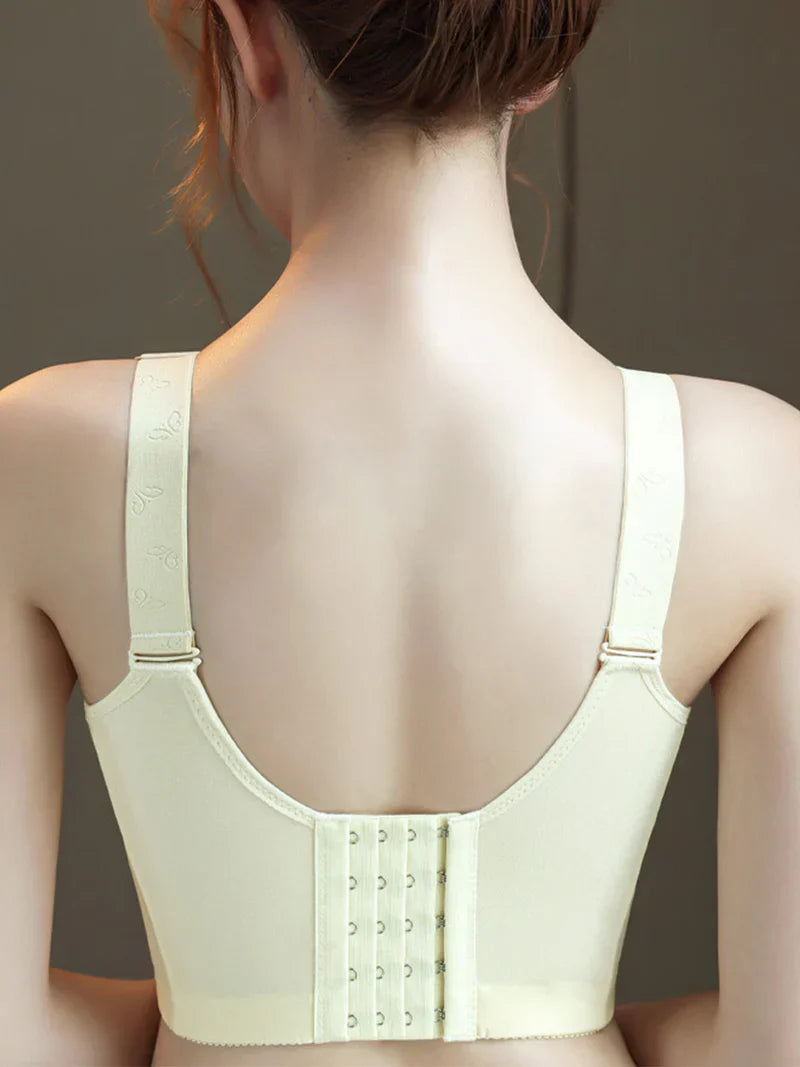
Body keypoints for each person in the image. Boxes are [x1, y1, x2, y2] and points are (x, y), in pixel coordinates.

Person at [1, 2, 798, 1066]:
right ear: (539, 62)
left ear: (247, 36)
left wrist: (228, 1005)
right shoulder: (755, 474)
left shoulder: (43, 456)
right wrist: (564, 1028)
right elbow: (773, 1045)